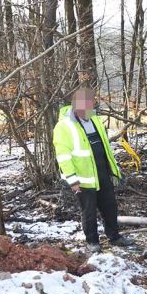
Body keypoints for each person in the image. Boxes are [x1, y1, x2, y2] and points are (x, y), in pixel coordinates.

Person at [53, 86, 133, 253]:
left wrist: (113, 170)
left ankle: (115, 237)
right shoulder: (63, 127)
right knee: (88, 211)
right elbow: (63, 156)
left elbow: (105, 148)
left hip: (103, 173)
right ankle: (92, 242)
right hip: (84, 179)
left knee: (110, 206)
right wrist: (72, 179)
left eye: (91, 105)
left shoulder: (95, 120)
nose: (90, 109)